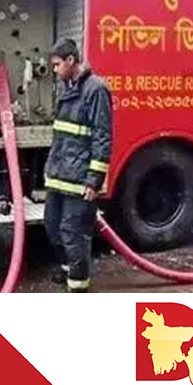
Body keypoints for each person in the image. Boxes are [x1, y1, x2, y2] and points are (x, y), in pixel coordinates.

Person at [42, 38, 113, 293]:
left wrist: (94, 180)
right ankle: (67, 269)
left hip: (80, 181)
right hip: (60, 176)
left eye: (57, 64)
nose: (54, 70)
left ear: (71, 60)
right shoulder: (68, 87)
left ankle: (79, 286)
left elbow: (102, 137)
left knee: (73, 233)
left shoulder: (96, 90)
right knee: (52, 226)